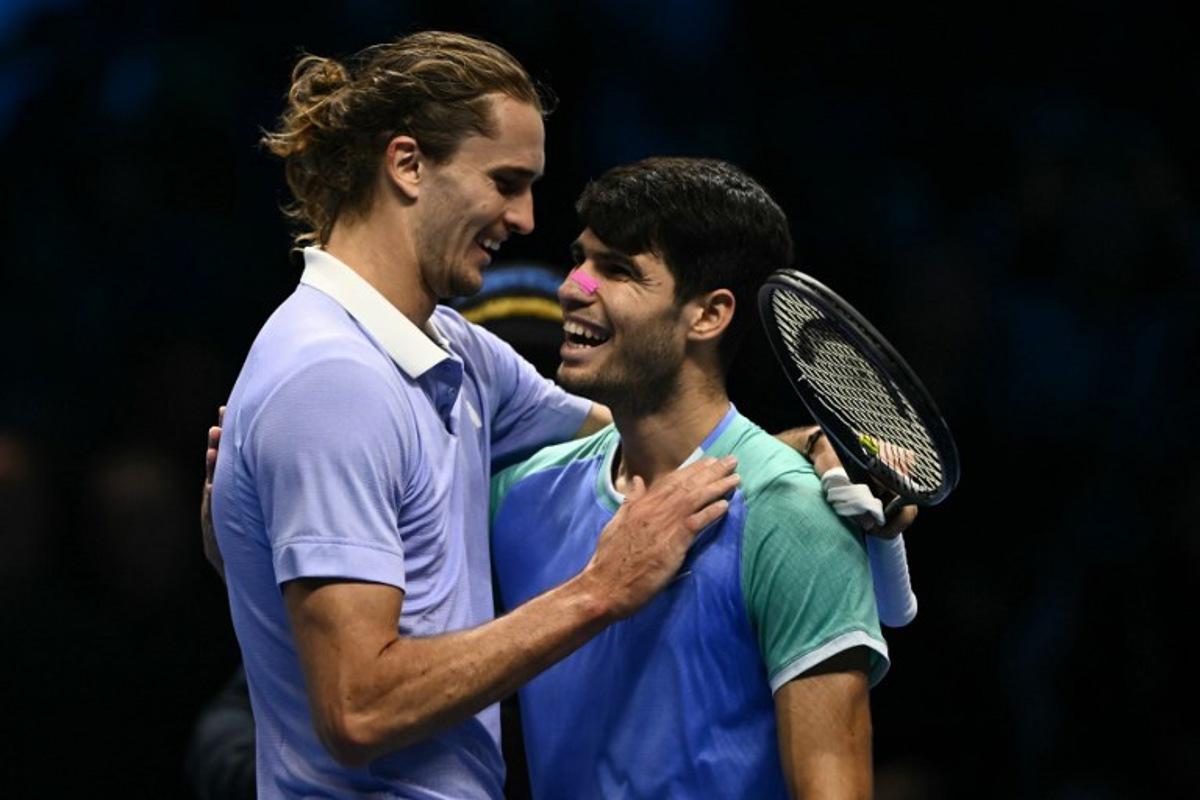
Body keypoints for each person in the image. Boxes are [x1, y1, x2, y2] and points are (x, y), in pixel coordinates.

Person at [210, 32, 741, 799]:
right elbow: (357, 710)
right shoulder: (331, 380)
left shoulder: (450, 345)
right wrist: (599, 589)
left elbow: (647, 434)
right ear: (408, 164)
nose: (525, 218)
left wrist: (800, 456)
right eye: (505, 182)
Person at [489, 157, 889, 798]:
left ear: (708, 315)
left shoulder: (792, 515)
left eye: (617, 270)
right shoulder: (518, 496)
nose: (573, 288)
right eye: (582, 259)